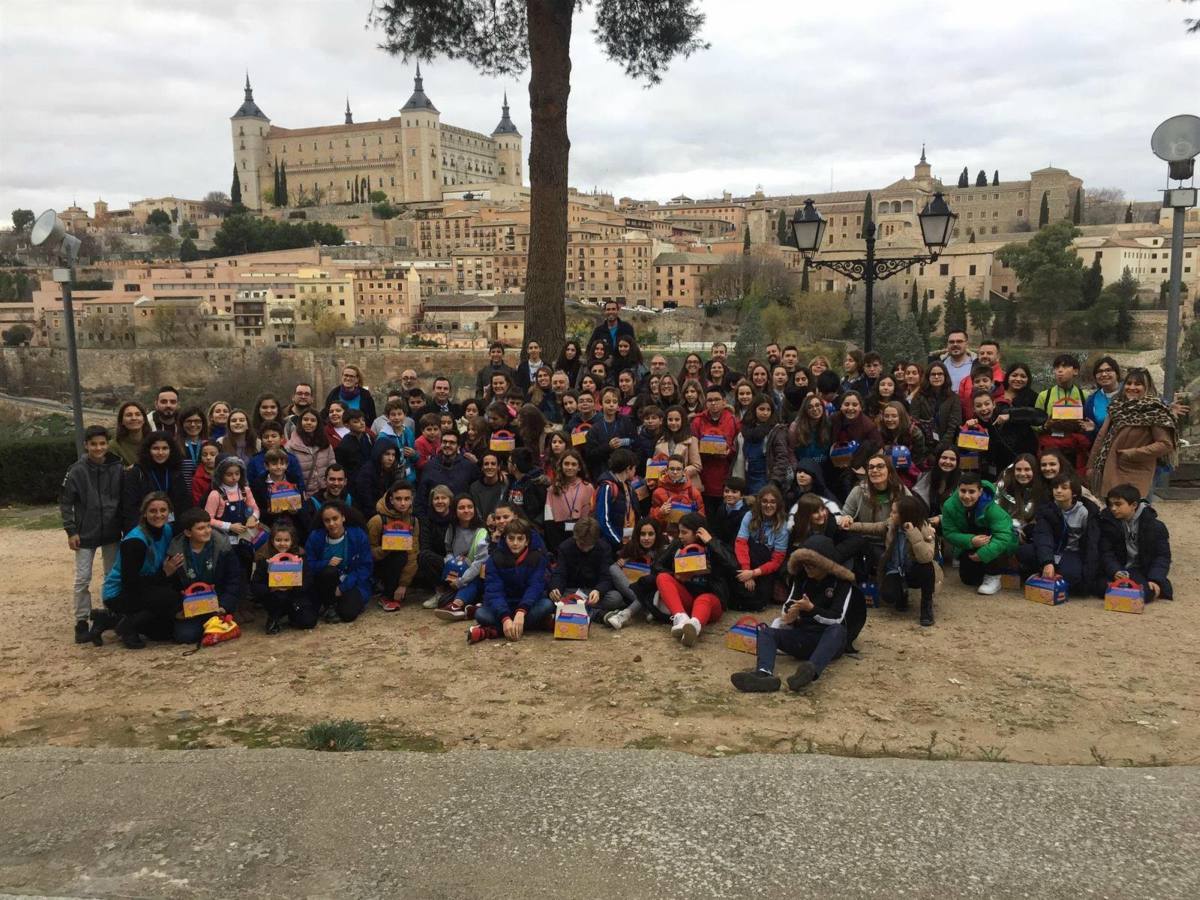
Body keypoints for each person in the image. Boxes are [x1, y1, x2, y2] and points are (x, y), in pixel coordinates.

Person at [730, 535, 863, 693]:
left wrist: (812, 609)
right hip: (804, 636)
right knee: (767, 632)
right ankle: (763, 674)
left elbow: (837, 618)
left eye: (812, 564)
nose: (807, 568)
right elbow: (788, 604)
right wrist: (791, 613)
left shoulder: (842, 582)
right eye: (804, 564)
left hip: (828, 640)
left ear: (825, 563)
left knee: (838, 631)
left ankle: (809, 671)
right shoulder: (801, 578)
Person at [60, 425, 124, 643]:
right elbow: (66, 501)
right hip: (85, 533)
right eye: (93, 444)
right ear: (86, 445)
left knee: (112, 576)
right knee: (83, 578)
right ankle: (81, 620)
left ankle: (111, 615)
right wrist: (71, 530)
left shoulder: (117, 467)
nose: (98, 448)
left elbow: (123, 497)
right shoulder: (77, 470)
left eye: (102, 444)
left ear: (107, 444)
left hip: (112, 531)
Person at [96, 493, 177, 649]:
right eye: (153, 511)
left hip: (147, 587)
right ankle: (126, 626)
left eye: (163, 510)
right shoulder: (135, 541)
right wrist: (163, 575)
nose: (158, 515)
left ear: (169, 512)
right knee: (169, 597)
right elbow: (130, 583)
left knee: (165, 633)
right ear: (144, 513)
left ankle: (107, 620)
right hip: (119, 593)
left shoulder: (167, 530)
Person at [1086, 368, 1177, 500]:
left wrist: (1132, 453)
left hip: (1136, 473)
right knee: (1113, 513)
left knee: (1135, 513)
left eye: (1138, 384)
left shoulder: (1154, 410)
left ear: (1147, 387)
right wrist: (1091, 465)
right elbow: (1101, 437)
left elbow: (1165, 445)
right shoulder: (1117, 407)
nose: (1132, 387)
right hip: (1111, 470)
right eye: (1129, 383)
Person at [652, 512, 738, 647]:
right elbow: (656, 566)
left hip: (711, 601)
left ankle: (693, 627)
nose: (680, 536)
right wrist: (676, 575)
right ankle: (681, 619)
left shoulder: (713, 545)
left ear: (697, 533)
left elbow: (733, 565)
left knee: (703, 599)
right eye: (679, 532)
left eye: (684, 532)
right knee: (663, 577)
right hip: (687, 599)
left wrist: (711, 542)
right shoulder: (678, 545)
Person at [165, 508, 244, 644]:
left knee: (214, 626)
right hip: (190, 608)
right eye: (200, 528)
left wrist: (224, 605)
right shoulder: (177, 552)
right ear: (188, 532)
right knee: (184, 636)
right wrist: (178, 610)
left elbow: (234, 578)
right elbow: (171, 586)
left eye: (208, 526)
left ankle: (218, 622)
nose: (207, 531)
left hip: (217, 604)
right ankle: (213, 627)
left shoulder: (222, 546)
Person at [468, 519, 553, 644]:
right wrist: (505, 617)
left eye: (520, 539)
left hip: (527, 606)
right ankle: (534, 625)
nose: (515, 543)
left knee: (547, 604)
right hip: (504, 605)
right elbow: (494, 591)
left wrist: (521, 611)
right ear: (505, 539)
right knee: (481, 614)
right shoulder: (494, 559)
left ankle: (493, 632)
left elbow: (535, 587)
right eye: (511, 538)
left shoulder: (537, 557)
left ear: (527, 541)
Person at [1018, 474, 1102, 597]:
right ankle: (1043, 571)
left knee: (1072, 576)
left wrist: (1088, 577)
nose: (1058, 491)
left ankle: (1051, 572)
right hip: (1051, 548)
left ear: (1074, 493)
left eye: (1064, 488)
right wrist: (1047, 562)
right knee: (1024, 551)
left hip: (1072, 551)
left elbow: (1091, 543)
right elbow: (1043, 536)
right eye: (1055, 487)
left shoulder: (1085, 512)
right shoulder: (1047, 509)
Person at [860, 496, 940, 625]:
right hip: (895, 570)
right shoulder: (891, 525)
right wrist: (848, 524)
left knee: (927, 567)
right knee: (888, 595)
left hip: (914, 570)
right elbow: (871, 527)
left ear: (906, 514)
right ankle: (902, 594)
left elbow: (926, 556)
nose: (891, 514)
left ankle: (926, 607)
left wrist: (913, 533)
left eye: (894, 512)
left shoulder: (925, 528)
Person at [940, 472, 1017, 595]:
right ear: (958, 489)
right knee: (969, 580)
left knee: (991, 537)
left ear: (980, 491)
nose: (966, 496)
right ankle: (984, 569)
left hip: (995, 542)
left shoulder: (993, 508)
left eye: (971, 492)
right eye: (963, 491)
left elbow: (1003, 537)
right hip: (972, 542)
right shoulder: (949, 506)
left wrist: (983, 554)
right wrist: (970, 541)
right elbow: (949, 533)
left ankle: (994, 575)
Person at [1098, 483, 1172, 600]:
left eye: (1118, 504)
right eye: (1110, 504)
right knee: (1098, 587)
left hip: (1141, 569)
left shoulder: (1155, 526)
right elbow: (1106, 551)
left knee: (1144, 592)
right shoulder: (1108, 522)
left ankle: (1152, 588)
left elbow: (1162, 556)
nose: (1113, 508)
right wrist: (1115, 570)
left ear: (1134, 505)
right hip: (1118, 568)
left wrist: (1155, 579)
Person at [304, 500, 373, 623]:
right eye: (327, 520)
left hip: (352, 582)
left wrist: (342, 587)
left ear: (343, 518)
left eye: (335, 518)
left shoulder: (358, 535)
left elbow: (365, 567)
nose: (331, 523)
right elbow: (308, 565)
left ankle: (341, 604)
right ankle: (329, 605)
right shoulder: (315, 537)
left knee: (348, 614)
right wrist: (325, 563)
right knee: (329, 571)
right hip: (324, 583)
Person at [250, 521, 317, 633]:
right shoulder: (264, 558)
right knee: (278, 598)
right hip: (274, 597)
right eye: (278, 540)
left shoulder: (300, 555)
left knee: (308, 622)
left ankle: (293, 615)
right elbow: (255, 585)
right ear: (272, 540)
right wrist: (271, 588)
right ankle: (274, 616)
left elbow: (308, 578)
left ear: (292, 541)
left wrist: (294, 586)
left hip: (296, 595)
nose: (282, 544)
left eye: (286, 540)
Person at [732, 484, 790, 612]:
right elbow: (741, 543)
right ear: (759, 502)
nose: (768, 505)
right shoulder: (749, 516)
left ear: (778, 504)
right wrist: (746, 570)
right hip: (747, 561)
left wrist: (753, 573)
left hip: (765, 567)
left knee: (759, 603)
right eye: (764, 501)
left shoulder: (783, 526)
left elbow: (776, 561)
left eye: (772, 502)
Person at [121, 431, 193, 533]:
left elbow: (184, 503)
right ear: (148, 450)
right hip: (144, 530)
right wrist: (135, 533)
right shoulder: (137, 472)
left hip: (172, 529)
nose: (160, 453)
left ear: (171, 450)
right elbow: (130, 507)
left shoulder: (175, 472)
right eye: (155, 448)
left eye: (165, 448)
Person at [602, 517, 666, 629]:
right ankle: (646, 608)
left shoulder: (663, 550)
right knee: (613, 568)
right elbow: (617, 569)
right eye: (643, 534)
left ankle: (625, 614)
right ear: (637, 535)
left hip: (653, 591)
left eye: (651, 534)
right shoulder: (631, 547)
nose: (646, 538)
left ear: (657, 535)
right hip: (629, 589)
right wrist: (624, 560)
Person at [367, 482, 421, 611]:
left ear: (412, 499)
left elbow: (413, 553)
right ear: (391, 500)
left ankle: (398, 589)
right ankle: (385, 595)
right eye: (398, 499)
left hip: (402, 566)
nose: (403, 503)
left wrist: (403, 584)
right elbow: (367, 552)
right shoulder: (377, 520)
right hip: (380, 566)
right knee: (398, 555)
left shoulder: (414, 521)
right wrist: (386, 548)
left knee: (416, 558)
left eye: (407, 499)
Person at [548, 517, 615, 620]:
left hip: (593, 591)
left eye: (588, 545)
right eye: (581, 544)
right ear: (575, 537)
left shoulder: (604, 548)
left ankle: (574, 609)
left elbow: (606, 576)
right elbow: (560, 573)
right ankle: (596, 614)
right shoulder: (565, 547)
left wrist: (598, 590)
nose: (584, 548)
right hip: (572, 590)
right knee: (553, 599)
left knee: (615, 598)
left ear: (595, 541)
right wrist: (555, 588)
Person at [1035, 353, 1091, 471]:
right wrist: (1046, 425)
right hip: (1051, 448)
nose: (1059, 371)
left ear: (1075, 371)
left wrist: (1084, 426)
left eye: (1064, 367)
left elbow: (1089, 423)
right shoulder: (1044, 396)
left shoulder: (1084, 396)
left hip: (1075, 450)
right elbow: (1034, 425)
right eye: (1057, 368)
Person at [692, 385, 740, 518]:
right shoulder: (697, 421)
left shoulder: (732, 420)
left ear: (724, 401)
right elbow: (692, 450)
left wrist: (729, 451)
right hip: (704, 477)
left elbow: (738, 446)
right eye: (710, 400)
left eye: (717, 400)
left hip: (725, 476)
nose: (713, 403)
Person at [416, 430, 479, 516]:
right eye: (444, 442)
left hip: (460, 518)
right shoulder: (430, 466)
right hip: (435, 519)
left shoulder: (468, 466)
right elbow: (421, 497)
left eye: (452, 443)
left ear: (458, 446)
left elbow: (478, 490)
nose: (447, 445)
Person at [544, 449, 593, 552]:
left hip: (582, 533)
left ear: (579, 467)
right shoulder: (553, 488)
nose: (570, 467)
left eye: (573, 464)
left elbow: (591, 514)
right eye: (566, 464)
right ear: (561, 466)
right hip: (559, 533)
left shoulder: (588, 487)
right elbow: (548, 518)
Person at [594, 448, 638, 551]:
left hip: (626, 541)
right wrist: (618, 542)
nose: (635, 471)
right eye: (634, 468)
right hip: (611, 546)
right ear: (628, 469)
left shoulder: (628, 486)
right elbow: (603, 520)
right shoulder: (607, 487)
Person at [649, 455, 704, 533]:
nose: (675, 472)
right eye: (672, 469)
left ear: (684, 471)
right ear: (666, 471)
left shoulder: (694, 492)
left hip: (688, 536)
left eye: (678, 469)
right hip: (666, 535)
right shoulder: (658, 492)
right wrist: (660, 513)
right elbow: (652, 522)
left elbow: (701, 518)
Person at [247, 421, 306, 491]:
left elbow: (300, 483)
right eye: (266, 437)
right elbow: (252, 486)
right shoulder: (254, 461)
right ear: (261, 440)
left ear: (281, 438)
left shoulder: (291, 459)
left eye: (274, 436)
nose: (270, 440)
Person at [995, 454, 1039, 542]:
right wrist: (1014, 530)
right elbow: (996, 514)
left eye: (1027, 469)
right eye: (1018, 469)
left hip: (1026, 529)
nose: (1022, 473)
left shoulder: (1040, 487)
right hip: (1004, 529)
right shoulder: (1004, 485)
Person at [956, 340, 1003, 415]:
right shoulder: (966, 381)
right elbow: (960, 407)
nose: (985, 356)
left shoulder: (1006, 380)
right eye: (982, 353)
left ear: (998, 356)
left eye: (989, 353)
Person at [1083, 357, 1122, 433]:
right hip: (1104, 443)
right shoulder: (1091, 401)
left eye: (1108, 370)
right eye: (1099, 371)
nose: (1104, 374)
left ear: (1117, 374)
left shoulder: (1130, 392)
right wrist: (1094, 429)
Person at [114, 401, 151, 466]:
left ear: (144, 419)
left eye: (138, 414)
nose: (134, 418)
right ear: (122, 421)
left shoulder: (154, 443)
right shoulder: (114, 446)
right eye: (129, 415)